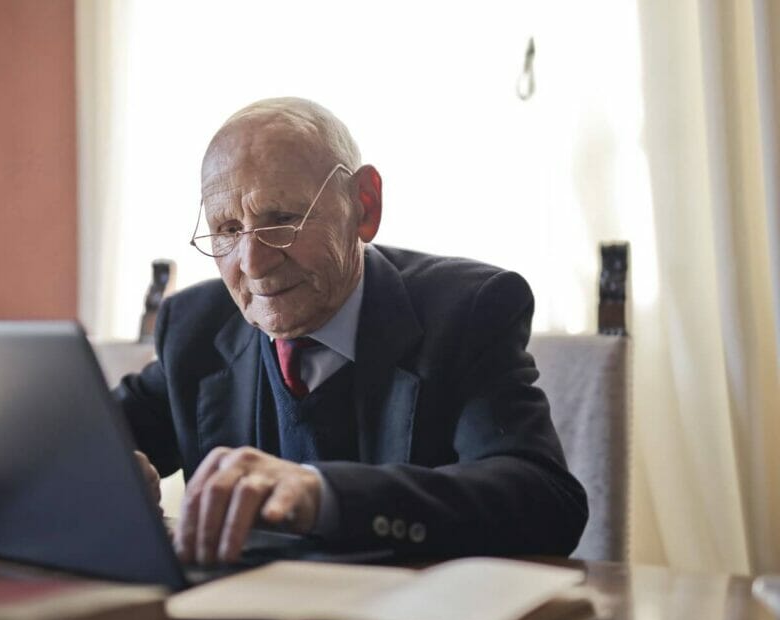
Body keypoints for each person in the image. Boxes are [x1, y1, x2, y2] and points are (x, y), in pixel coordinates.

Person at [116, 97, 588, 566]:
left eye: (281, 219)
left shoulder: (467, 312)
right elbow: (86, 437)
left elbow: (545, 502)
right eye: (227, 229)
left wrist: (322, 494)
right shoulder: (196, 327)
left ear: (364, 206)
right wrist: (96, 473)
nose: (253, 264)